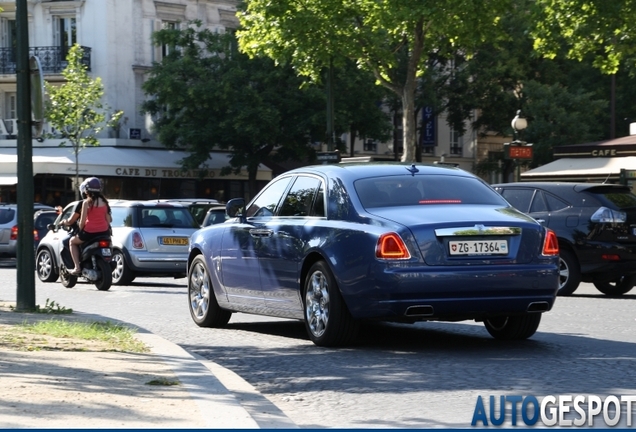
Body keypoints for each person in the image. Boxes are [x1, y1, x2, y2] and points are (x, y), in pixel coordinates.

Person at [68, 177, 112, 275]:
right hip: (104, 232)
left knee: (72, 242)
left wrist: (79, 229)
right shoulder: (105, 202)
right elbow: (109, 220)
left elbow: (82, 222)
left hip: (89, 233)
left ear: (87, 190)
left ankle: (77, 267)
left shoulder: (86, 203)